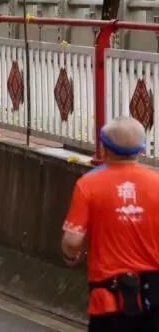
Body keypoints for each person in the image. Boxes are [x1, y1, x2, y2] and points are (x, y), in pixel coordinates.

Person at [62, 116, 159, 332]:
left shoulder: (88, 185)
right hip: (154, 296)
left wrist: (71, 256)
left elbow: (72, 240)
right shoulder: (157, 183)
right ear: (142, 150)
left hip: (109, 299)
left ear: (104, 148)